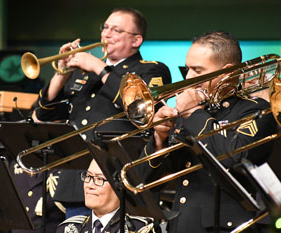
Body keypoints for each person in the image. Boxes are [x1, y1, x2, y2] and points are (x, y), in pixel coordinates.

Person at [33, 7, 171, 218]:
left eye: (116, 30)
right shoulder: (83, 73)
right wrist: (61, 73)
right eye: (105, 27)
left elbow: (140, 108)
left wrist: (100, 68)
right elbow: (44, 115)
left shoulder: (151, 69)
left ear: (136, 40)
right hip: (78, 179)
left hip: (119, 177)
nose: (106, 34)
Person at [138, 31, 277, 233]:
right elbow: (146, 183)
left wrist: (194, 113)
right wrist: (159, 138)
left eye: (198, 70)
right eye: (187, 69)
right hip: (181, 224)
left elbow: (235, 157)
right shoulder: (188, 116)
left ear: (227, 72)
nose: (188, 78)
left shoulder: (256, 110)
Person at [56, 159, 156, 233]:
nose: (90, 185)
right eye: (88, 176)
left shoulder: (140, 229)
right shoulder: (68, 228)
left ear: (119, 186)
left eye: (99, 179)